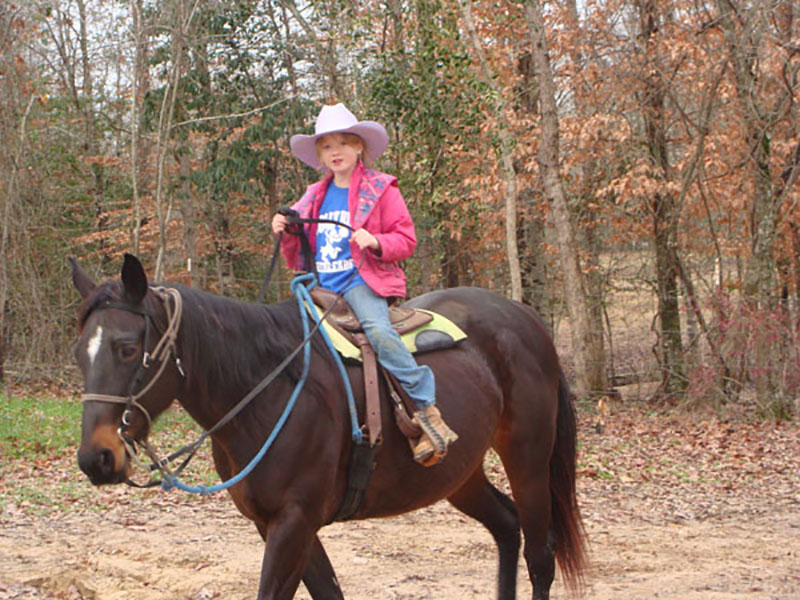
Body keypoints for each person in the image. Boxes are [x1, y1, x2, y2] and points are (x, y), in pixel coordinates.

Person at [271, 103, 457, 465]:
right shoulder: (313, 196)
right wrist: (285, 227)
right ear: (320, 155)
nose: (334, 151)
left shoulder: (381, 189)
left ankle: (425, 408)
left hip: (361, 282)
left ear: (359, 147)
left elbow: (406, 239)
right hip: (319, 286)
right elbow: (298, 251)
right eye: (326, 146)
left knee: (378, 331)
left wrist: (377, 241)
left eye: (343, 143)